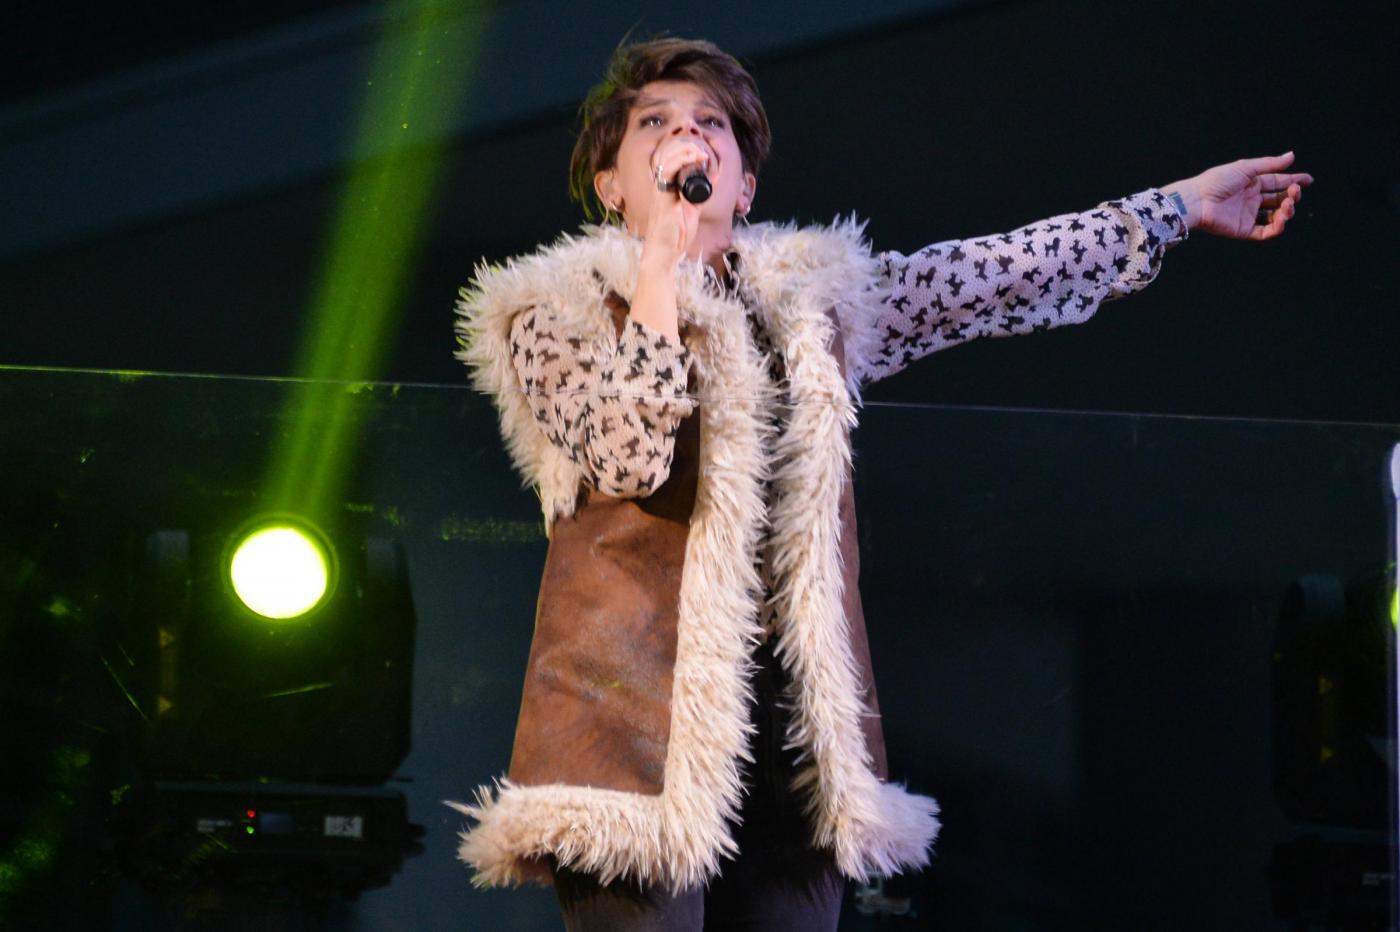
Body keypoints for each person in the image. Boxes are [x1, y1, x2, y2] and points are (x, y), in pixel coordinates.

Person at [449, 36, 1311, 931]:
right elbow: (630, 454)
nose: (687, 139)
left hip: (792, 743)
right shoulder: (552, 311)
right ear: (612, 185)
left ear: (743, 188)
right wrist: (661, 264)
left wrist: (1176, 206)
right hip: (631, 738)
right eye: (656, 124)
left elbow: (991, 276)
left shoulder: (814, 301)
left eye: (711, 125)